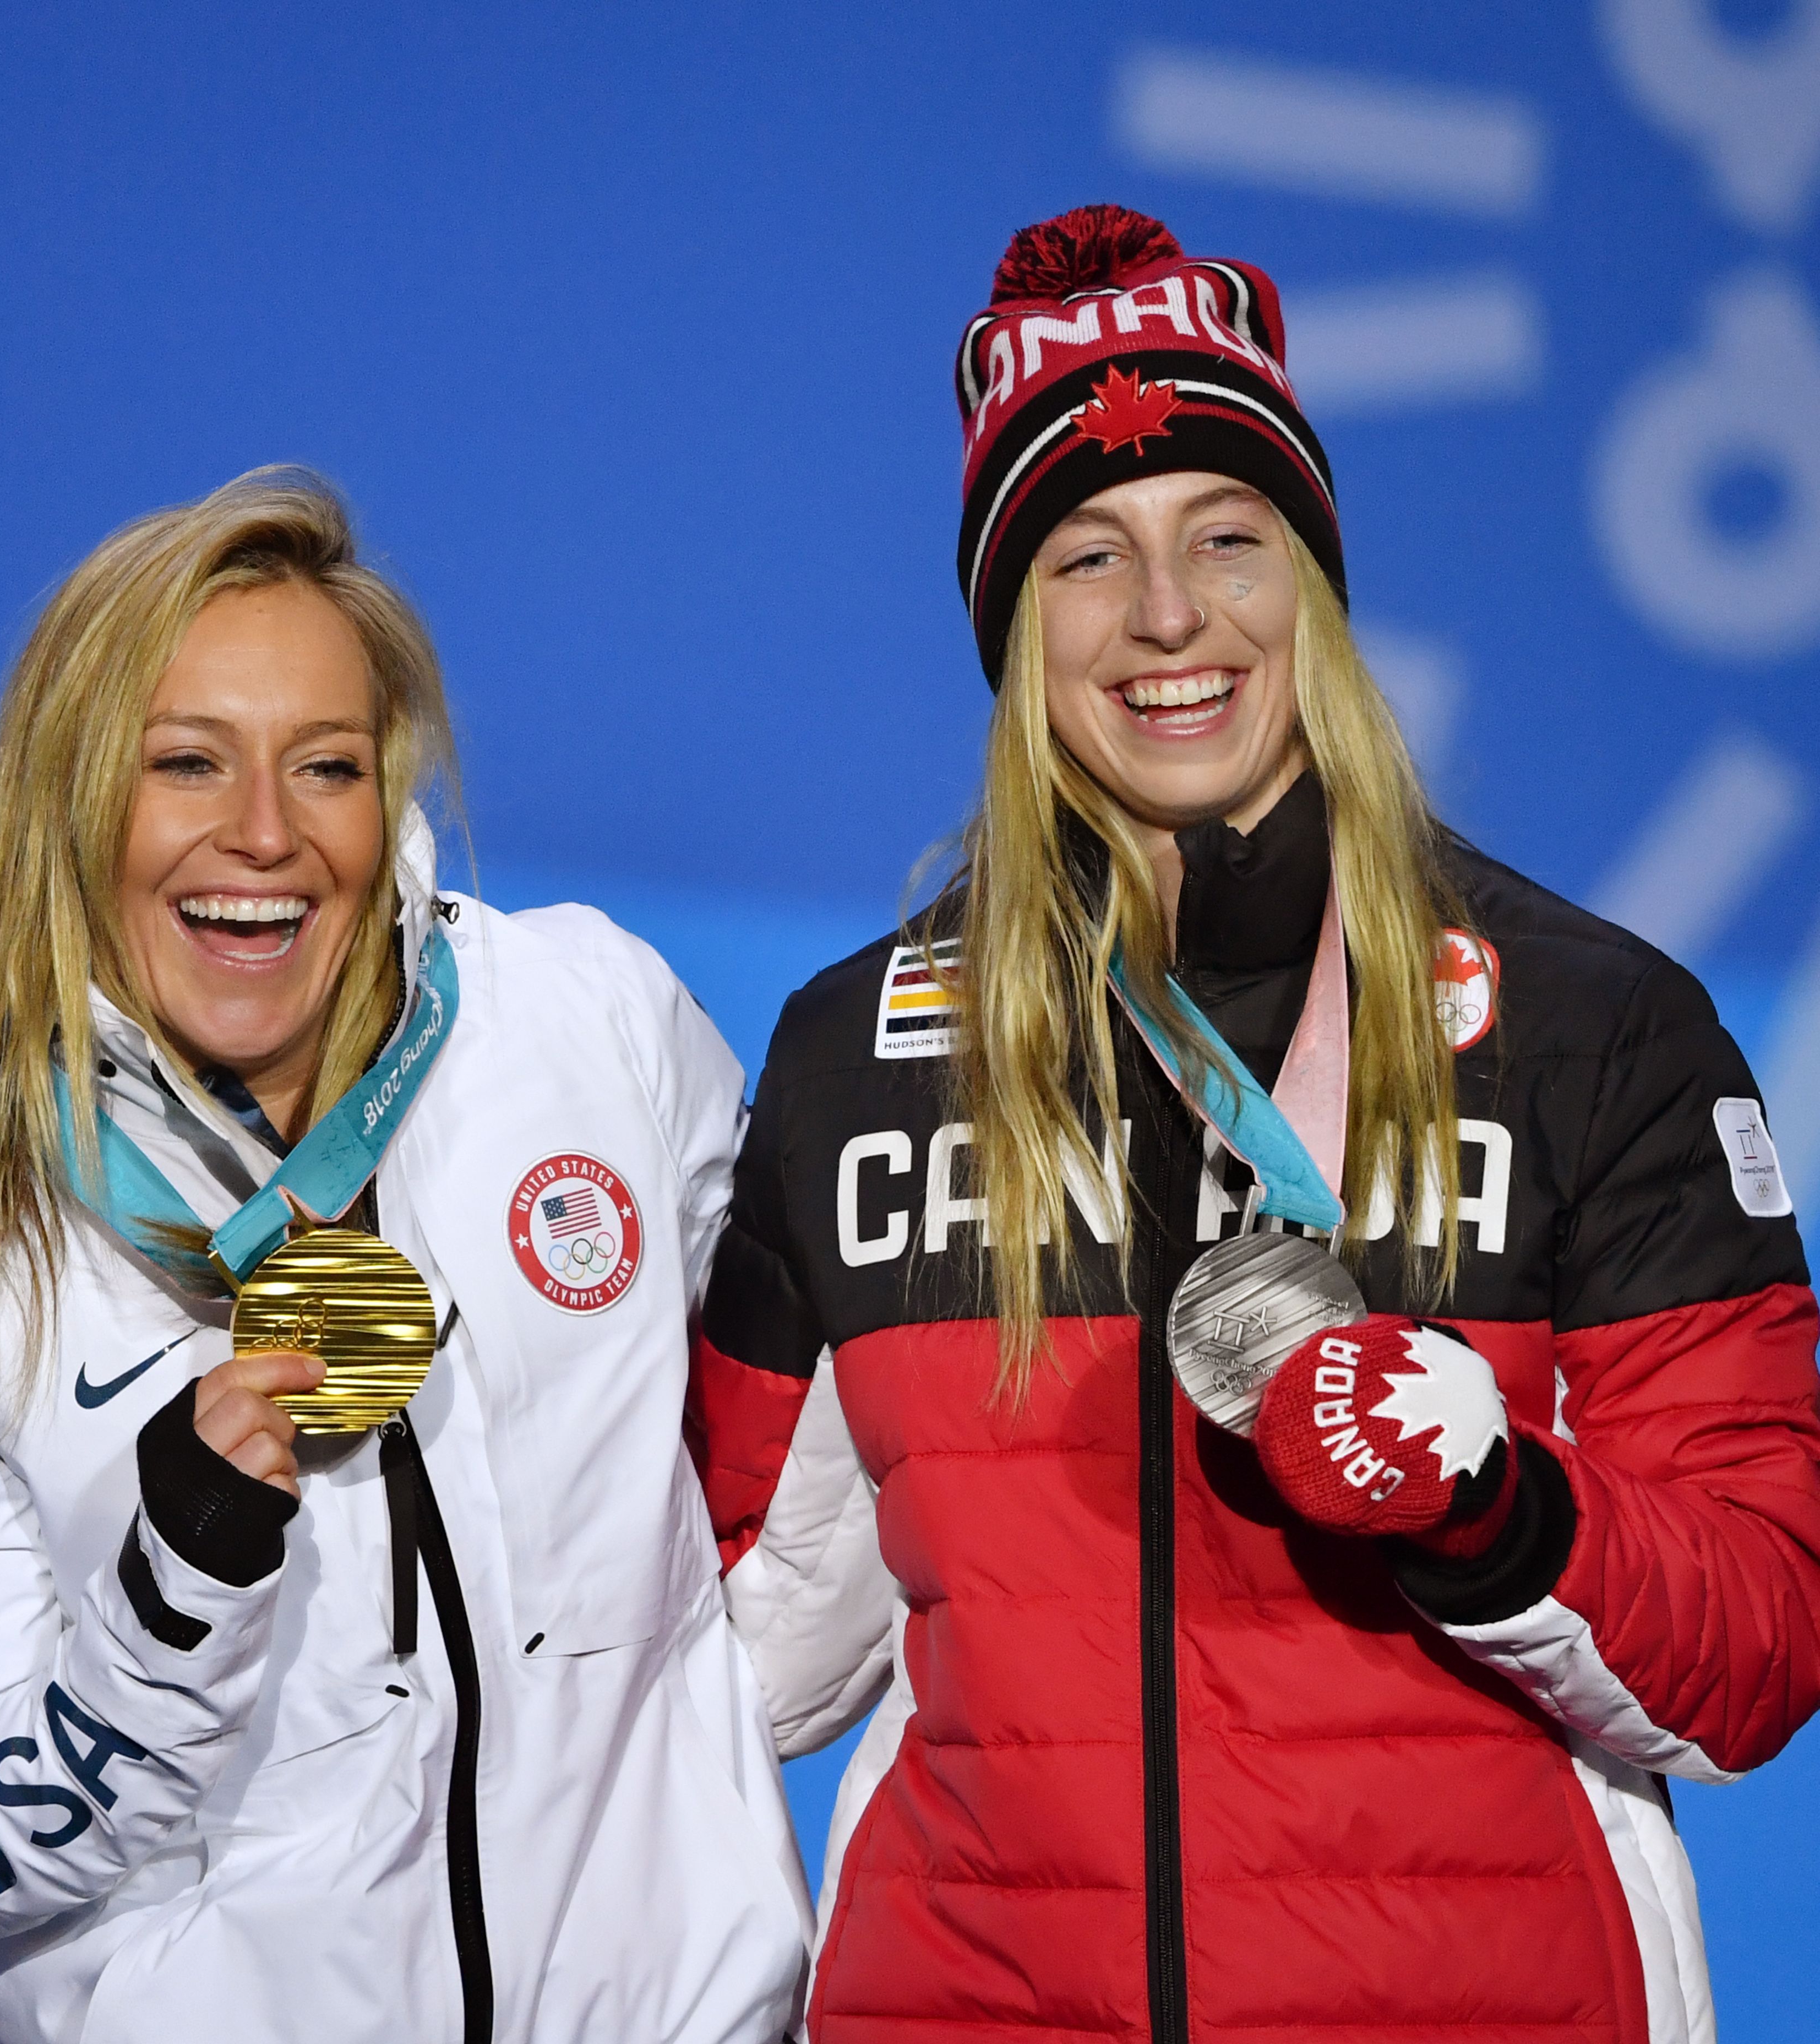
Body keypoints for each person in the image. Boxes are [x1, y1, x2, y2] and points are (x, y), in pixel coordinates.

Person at [688, 204, 1820, 2040]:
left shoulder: (1593, 1030)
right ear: (1010, 628)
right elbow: (730, 1645)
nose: (1166, 618)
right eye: (1083, 556)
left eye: (1230, 539)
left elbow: (1762, 1640)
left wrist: (1502, 1512)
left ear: (1312, 580)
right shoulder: (857, 1059)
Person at [0, 469, 808, 2042]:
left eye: (323, 766)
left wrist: (729, 1728)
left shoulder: (589, 1023)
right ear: (73, 799)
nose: (262, 835)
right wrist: (174, 1593)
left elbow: (817, 1428)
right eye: (186, 764)